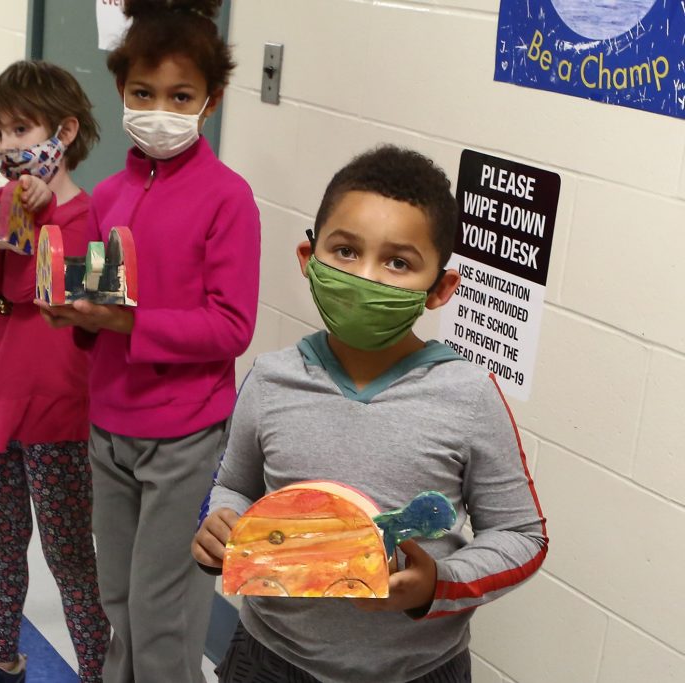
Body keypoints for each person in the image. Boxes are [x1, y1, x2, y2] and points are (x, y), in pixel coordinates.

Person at [191, 145, 549, 683]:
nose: (367, 278)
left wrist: (438, 582)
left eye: (399, 262)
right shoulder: (270, 379)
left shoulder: (469, 395)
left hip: (418, 669)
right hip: (268, 660)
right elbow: (233, 487)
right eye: (346, 251)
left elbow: (522, 535)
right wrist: (218, 526)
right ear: (308, 259)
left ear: (440, 288)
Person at [38, 1, 260, 681]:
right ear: (120, 91)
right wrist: (75, 317)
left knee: (164, 611)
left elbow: (231, 325)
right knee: (119, 596)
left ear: (211, 101)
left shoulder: (229, 198)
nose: (159, 109)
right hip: (108, 424)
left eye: (181, 96)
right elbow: (104, 302)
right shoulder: (107, 195)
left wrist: (131, 325)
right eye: (143, 93)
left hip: (185, 438)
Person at [0, 60, 109, 683]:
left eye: (21, 130)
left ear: (63, 133)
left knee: (70, 557)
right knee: (1, 543)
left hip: (58, 413)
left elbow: (89, 311)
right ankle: (2, 659)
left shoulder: (90, 216)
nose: (7, 146)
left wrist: (40, 217)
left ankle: (96, 669)